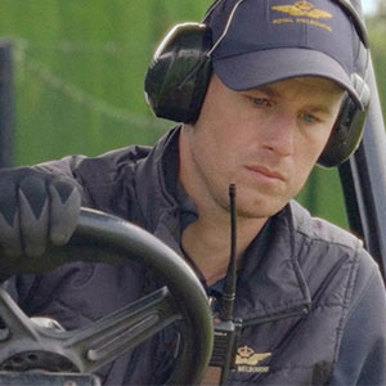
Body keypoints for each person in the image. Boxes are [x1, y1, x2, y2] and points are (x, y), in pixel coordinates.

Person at [0, 0, 385, 384]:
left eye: (310, 117)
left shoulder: (343, 287)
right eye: (260, 101)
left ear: (340, 133)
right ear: (189, 86)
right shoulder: (50, 222)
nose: (282, 144)